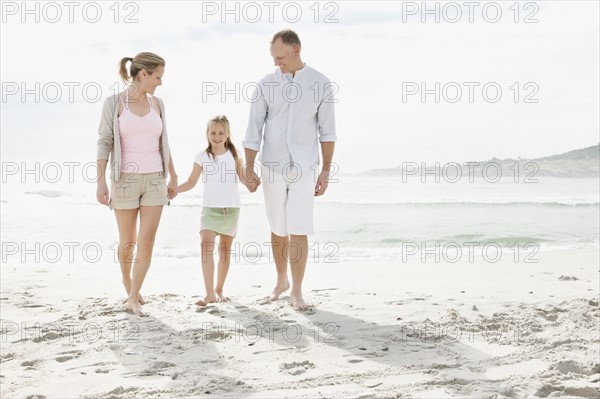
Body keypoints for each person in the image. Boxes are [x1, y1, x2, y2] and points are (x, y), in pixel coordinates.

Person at [243, 30, 337, 311]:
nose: (276, 63)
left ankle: (296, 291)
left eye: (280, 57)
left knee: (299, 228)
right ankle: (281, 280)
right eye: (273, 57)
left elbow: (328, 132)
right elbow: (253, 130)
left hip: (305, 167)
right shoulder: (265, 85)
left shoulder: (320, 84)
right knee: (277, 227)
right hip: (272, 165)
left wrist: (326, 171)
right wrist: (249, 167)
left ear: (296, 50)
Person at [96, 52, 178, 316]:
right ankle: (127, 281)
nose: (160, 83)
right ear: (143, 74)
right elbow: (104, 141)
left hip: (155, 179)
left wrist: (173, 175)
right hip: (124, 181)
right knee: (128, 242)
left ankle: (133, 296)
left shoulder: (158, 105)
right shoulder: (115, 103)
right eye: (157, 77)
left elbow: (163, 142)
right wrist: (100, 180)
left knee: (147, 240)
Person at [176, 116, 249, 306]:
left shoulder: (235, 154)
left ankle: (219, 290)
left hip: (231, 210)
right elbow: (191, 182)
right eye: (213, 132)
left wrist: (252, 183)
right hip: (209, 210)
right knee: (205, 246)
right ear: (207, 134)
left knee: (225, 251)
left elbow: (243, 179)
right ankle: (209, 294)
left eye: (221, 133)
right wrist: (175, 190)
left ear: (227, 135)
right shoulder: (202, 155)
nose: (216, 136)